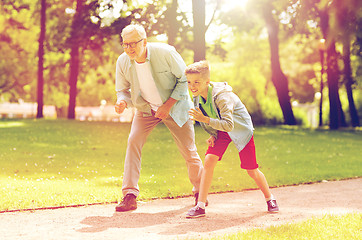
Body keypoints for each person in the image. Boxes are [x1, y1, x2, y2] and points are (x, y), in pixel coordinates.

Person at [114, 24, 204, 212]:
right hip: (146, 109)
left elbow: (184, 81)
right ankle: (129, 195)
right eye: (125, 44)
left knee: (188, 150)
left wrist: (167, 106)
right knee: (133, 142)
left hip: (176, 106)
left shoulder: (166, 53)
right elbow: (122, 90)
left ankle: (200, 192)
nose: (129, 49)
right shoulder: (123, 61)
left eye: (134, 44)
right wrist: (122, 101)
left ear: (144, 41)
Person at [184, 60, 279, 218]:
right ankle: (200, 206)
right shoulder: (198, 98)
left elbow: (228, 124)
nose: (192, 86)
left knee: (251, 170)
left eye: (196, 82)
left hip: (240, 129)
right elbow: (213, 117)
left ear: (207, 82)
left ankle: (270, 199)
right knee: (209, 161)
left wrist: (206, 121)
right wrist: (213, 135)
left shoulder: (222, 97)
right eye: (189, 82)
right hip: (222, 129)